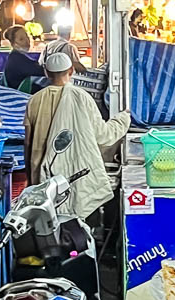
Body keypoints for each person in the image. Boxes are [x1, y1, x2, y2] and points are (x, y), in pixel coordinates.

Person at [23, 51, 130, 219]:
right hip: (76, 178)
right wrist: (123, 118)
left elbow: (28, 143)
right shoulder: (82, 97)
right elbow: (103, 135)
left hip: (43, 179)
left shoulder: (34, 100)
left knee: (48, 230)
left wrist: (30, 177)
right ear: (71, 71)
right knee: (78, 230)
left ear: (46, 73)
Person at [1, 25, 42, 91]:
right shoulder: (17, 60)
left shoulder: (16, 56)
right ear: (13, 44)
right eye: (21, 39)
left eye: (27, 37)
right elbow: (40, 71)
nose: (27, 41)